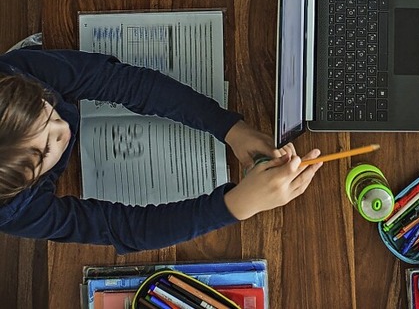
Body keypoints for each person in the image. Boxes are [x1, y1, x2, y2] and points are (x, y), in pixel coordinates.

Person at [0, 47, 321, 253]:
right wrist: (236, 205)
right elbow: (122, 228)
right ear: (21, 186)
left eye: (48, 110)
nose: (64, 130)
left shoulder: (15, 74)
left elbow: (125, 83)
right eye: (45, 151)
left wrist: (231, 128)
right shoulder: (16, 212)